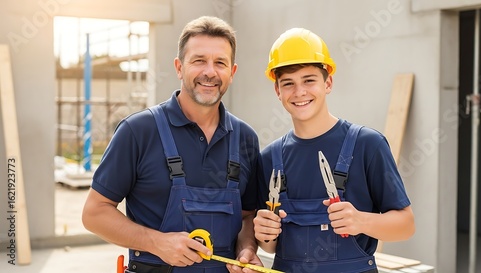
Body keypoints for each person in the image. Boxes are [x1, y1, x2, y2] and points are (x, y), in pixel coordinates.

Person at [82, 16, 263, 273]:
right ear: (179, 67)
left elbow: (247, 216)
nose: (209, 72)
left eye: (220, 63)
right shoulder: (138, 131)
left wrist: (247, 250)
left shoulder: (245, 138)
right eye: (199, 60)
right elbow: (94, 213)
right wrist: (156, 243)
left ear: (232, 73)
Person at [253, 28, 415, 273]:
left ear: (328, 82)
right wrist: (265, 235)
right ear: (278, 91)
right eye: (288, 83)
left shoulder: (367, 145)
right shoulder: (269, 159)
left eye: (309, 80)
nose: (300, 92)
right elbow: (272, 247)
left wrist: (361, 221)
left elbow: (406, 226)